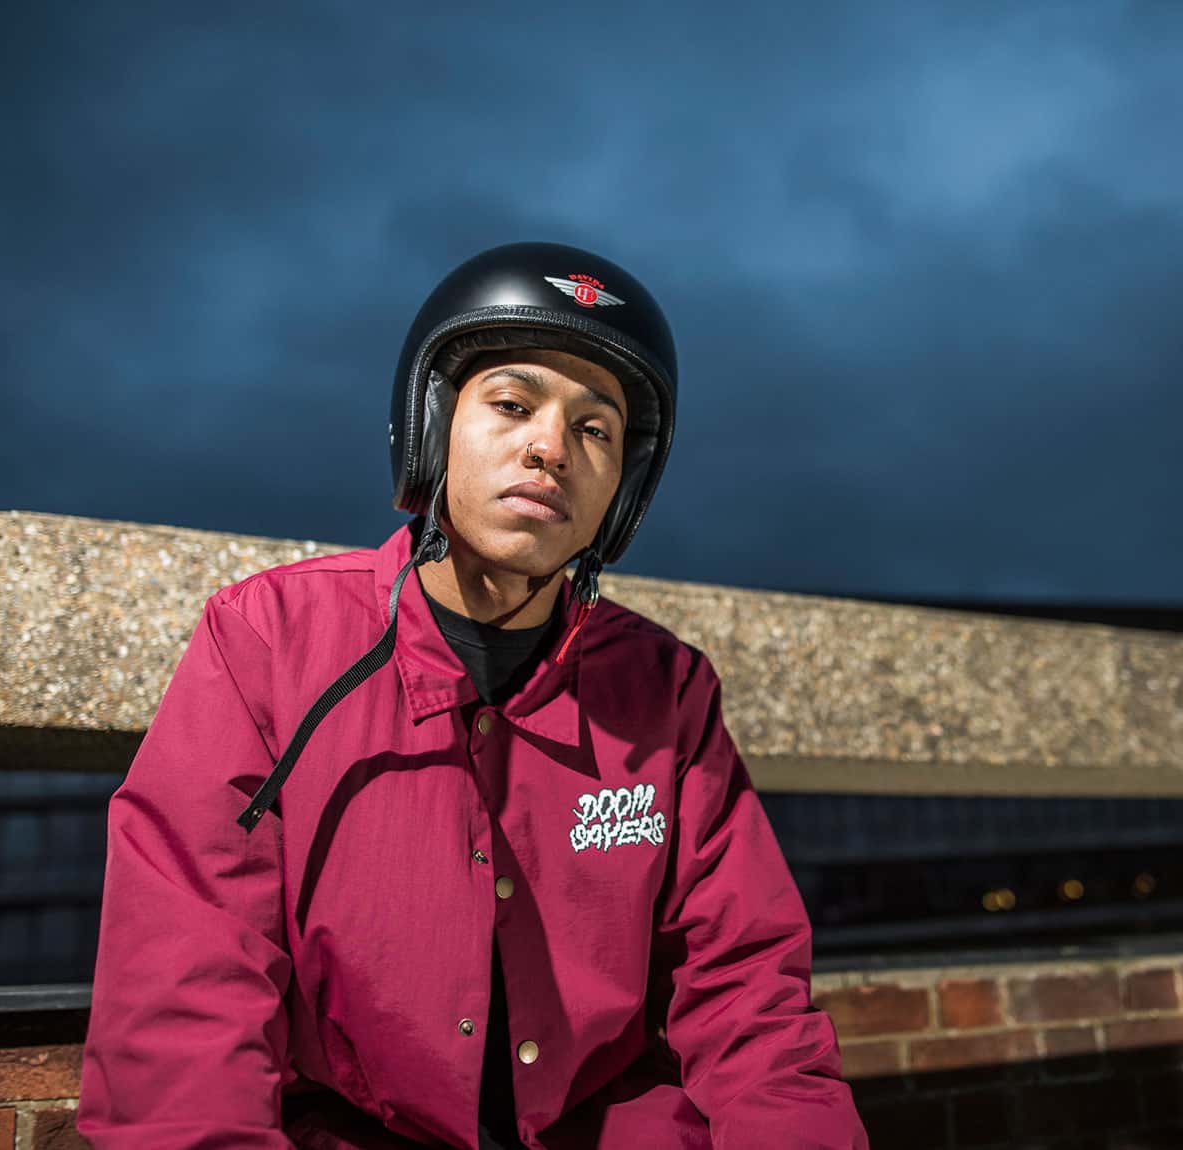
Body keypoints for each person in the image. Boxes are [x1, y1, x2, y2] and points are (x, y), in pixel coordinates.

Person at [77, 241, 869, 1149]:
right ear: (431, 428)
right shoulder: (268, 640)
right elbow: (187, 986)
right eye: (511, 404)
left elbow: (748, 991)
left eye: (595, 429)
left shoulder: (666, 689)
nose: (549, 447)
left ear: (624, 486)